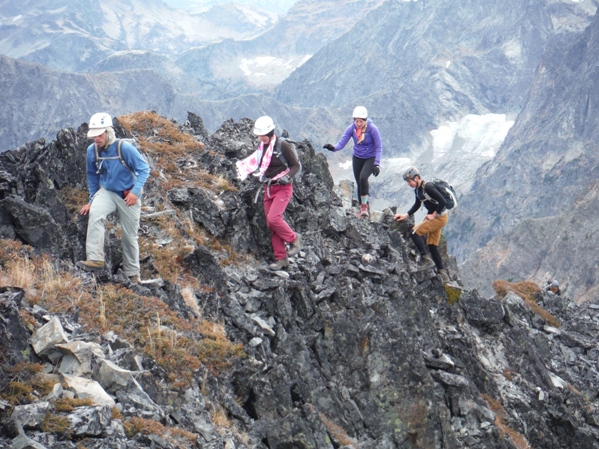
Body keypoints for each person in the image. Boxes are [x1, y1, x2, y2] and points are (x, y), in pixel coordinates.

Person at [77, 113, 150, 283]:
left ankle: (133, 274)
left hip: (128, 194)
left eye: (100, 134)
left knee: (129, 235)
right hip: (107, 192)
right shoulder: (92, 151)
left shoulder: (124, 148)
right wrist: (91, 200)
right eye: (94, 135)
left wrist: (135, 192)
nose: (96, 138)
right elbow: (92, 175)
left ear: (109, 133)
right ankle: (95, 259)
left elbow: (144, 169)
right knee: (95, 213)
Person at [235, 116, 302, 271]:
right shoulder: (262, 148)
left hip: (283, 188)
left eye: (262, 135)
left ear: (270, 132)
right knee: (271, 225)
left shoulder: (283, 145)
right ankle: (281, 259)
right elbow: (258, 164)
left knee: (274, 219)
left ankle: (294, 239)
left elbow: (296, 166)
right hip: (268, 188)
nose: (259, 138)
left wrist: (287, 177)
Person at [323, 106, 383, 218]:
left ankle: (364, 206)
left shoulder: (372, 129)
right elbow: (342, 142)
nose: (358, 123)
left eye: (361, 121)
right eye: (356, 121)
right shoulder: (352, 129)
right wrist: (333, 148)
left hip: (370, 157)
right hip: (357, 157)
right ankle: (363, 207)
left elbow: (379, 147)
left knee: (363, 178)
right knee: (359, 182)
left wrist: (377, 164)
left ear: (365, 120)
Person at [394, 166, 450, 284]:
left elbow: (443, 202)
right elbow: (417, 204)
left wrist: (434, 215)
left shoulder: (428, 187)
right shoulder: (417, 190)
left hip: (440, 218)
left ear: (416, 178)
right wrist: (405, 215)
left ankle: (426, 259)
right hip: (439, 217)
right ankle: (443, 273)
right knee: (432, 245)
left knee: (414, 233)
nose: (409, 184)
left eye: (409, 181)